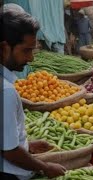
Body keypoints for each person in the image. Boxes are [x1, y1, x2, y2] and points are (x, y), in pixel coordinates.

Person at [0, 9, 66, 180]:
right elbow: (10, 152)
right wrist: (45, 167)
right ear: (4, 48)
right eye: (26, 50)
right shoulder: (6, 91)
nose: (31, 59)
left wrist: (26, 144)